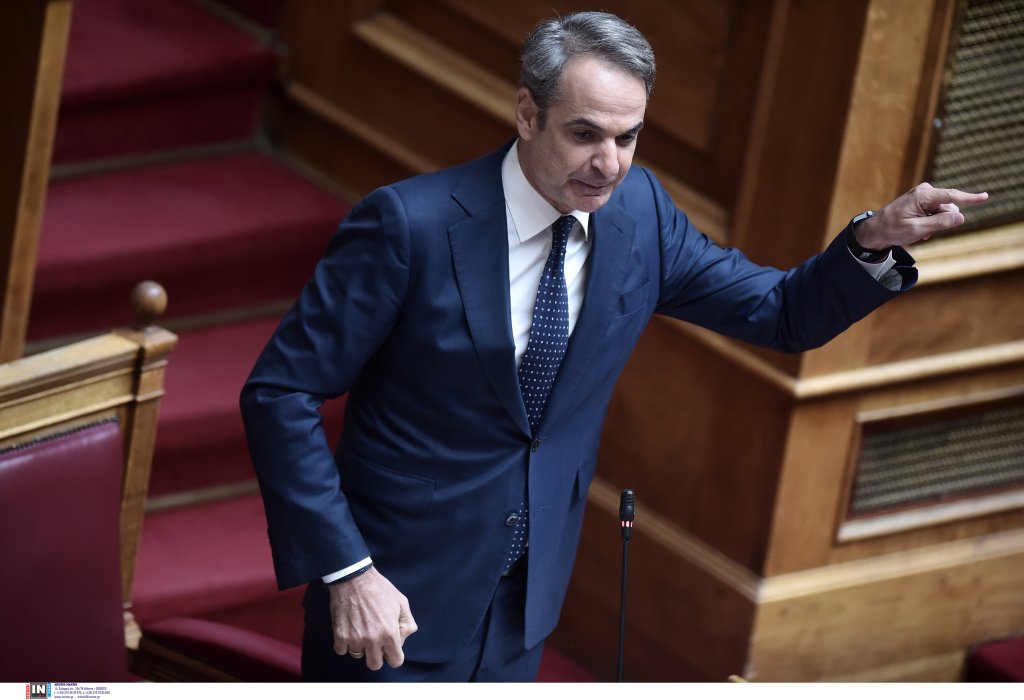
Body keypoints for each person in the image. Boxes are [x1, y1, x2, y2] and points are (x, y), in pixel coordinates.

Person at [240, 11, 987, 682]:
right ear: (527, 114)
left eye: (627, 138)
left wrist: (871, 240)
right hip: (389, 602)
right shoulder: (411, 227)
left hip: (522, 607)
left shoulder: (641, 215)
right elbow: (280, 393)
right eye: (585, 134)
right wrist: (348, 570)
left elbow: (783, 313)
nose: (609, 164)